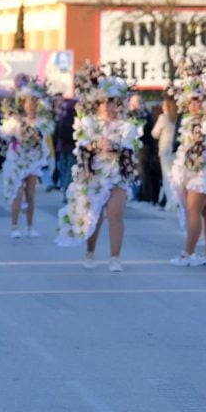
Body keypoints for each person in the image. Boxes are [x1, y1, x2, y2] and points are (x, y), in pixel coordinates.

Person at [56, 64, 141, 270]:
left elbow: (131, 148)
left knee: (115, 214)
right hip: (94, 174)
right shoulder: (87, 123)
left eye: (111, 103)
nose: (107, 107)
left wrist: (116, 146)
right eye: (103, 103)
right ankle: (90, 252)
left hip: (116, 175)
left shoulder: (127, 125)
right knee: (95, 215)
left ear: (118, 104)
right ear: (97, 104)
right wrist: (95, 145)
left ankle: (115, 258)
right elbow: (80, 147)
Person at [169, 57, 206, 265]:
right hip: (193, 170)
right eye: (191, 100)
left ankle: (188, 252)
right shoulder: (188, 120)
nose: (194, 104)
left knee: (193, 210)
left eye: (198, 100)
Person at [0, 78, 55, 238]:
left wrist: (34, 135)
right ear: (23, 104)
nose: (32, 106)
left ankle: (30, 227)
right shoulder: (16, 120)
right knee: (17, 192)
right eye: (29, 103)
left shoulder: (43, 121)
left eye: (35, 103)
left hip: (34, 160)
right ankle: (14, 226)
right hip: (17, 159)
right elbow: (5, 131)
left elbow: (43, 135)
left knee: (30, 194)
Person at [151, 95, 178, 210]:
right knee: (176, 177)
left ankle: (170, 203)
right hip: (176, 150)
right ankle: (176, 201)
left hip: (165, 150)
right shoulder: (178, 117)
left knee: (167, 178)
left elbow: (154, 133)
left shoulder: (163, 117)